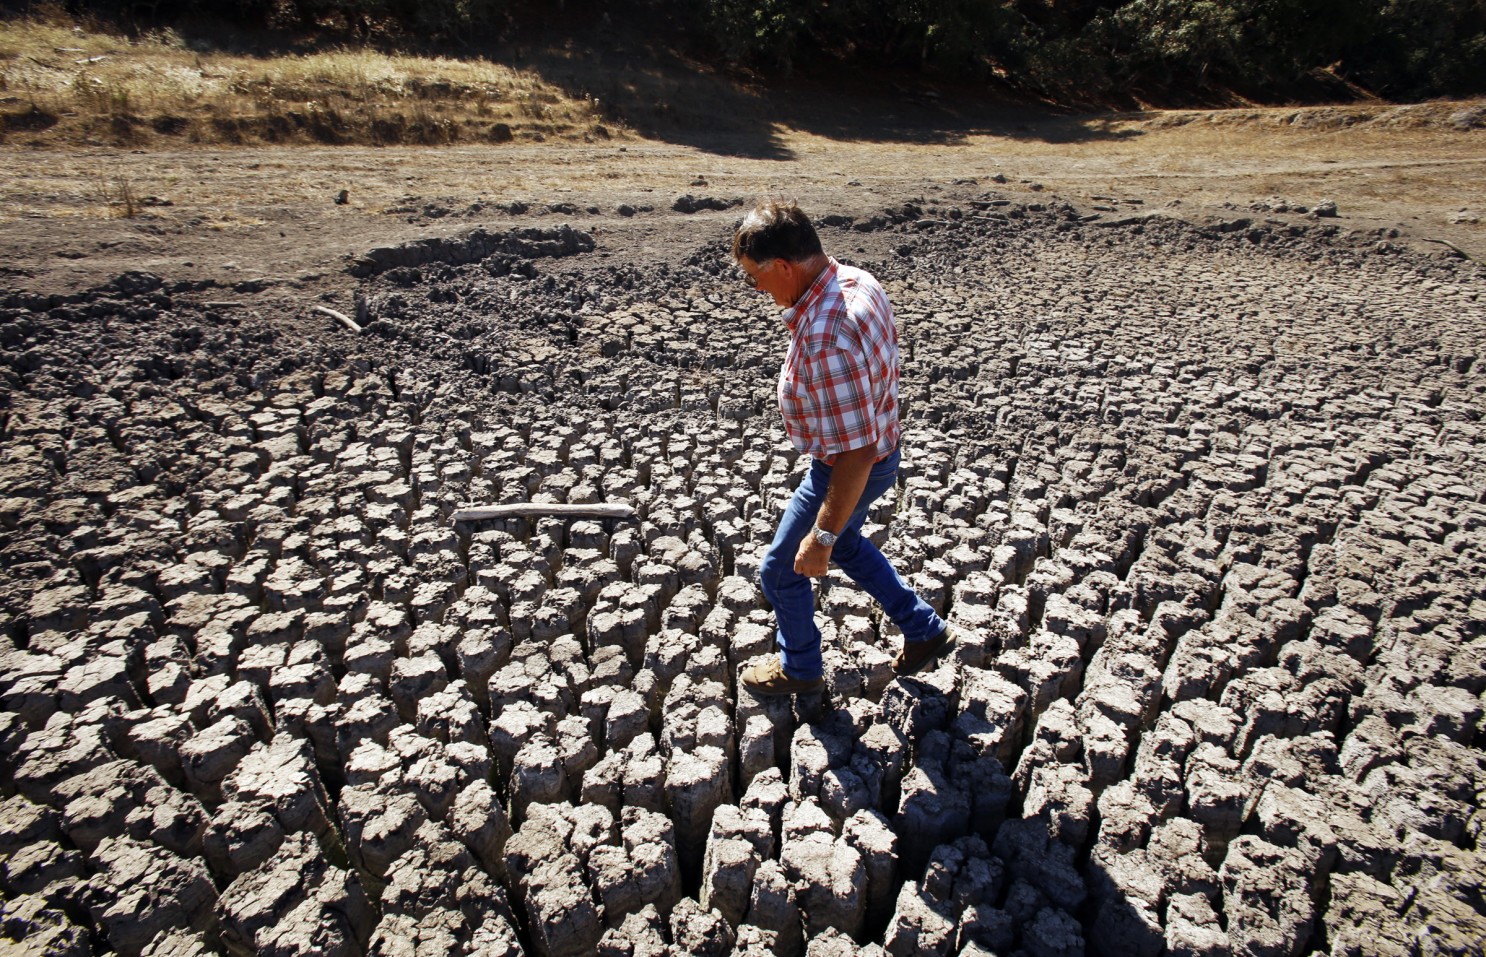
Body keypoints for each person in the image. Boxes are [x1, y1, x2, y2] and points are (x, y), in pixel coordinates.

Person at [733, 198, 954, 696]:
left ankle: (801, 671)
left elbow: (856, 451)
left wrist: (823, 538)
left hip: (849, 466)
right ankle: (922, 627)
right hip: (877, 451)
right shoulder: (854, 280)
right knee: (850, 542)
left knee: (783, 570)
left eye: (756, 276)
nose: (757, 288)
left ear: (784, 267)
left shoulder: (827, 334)